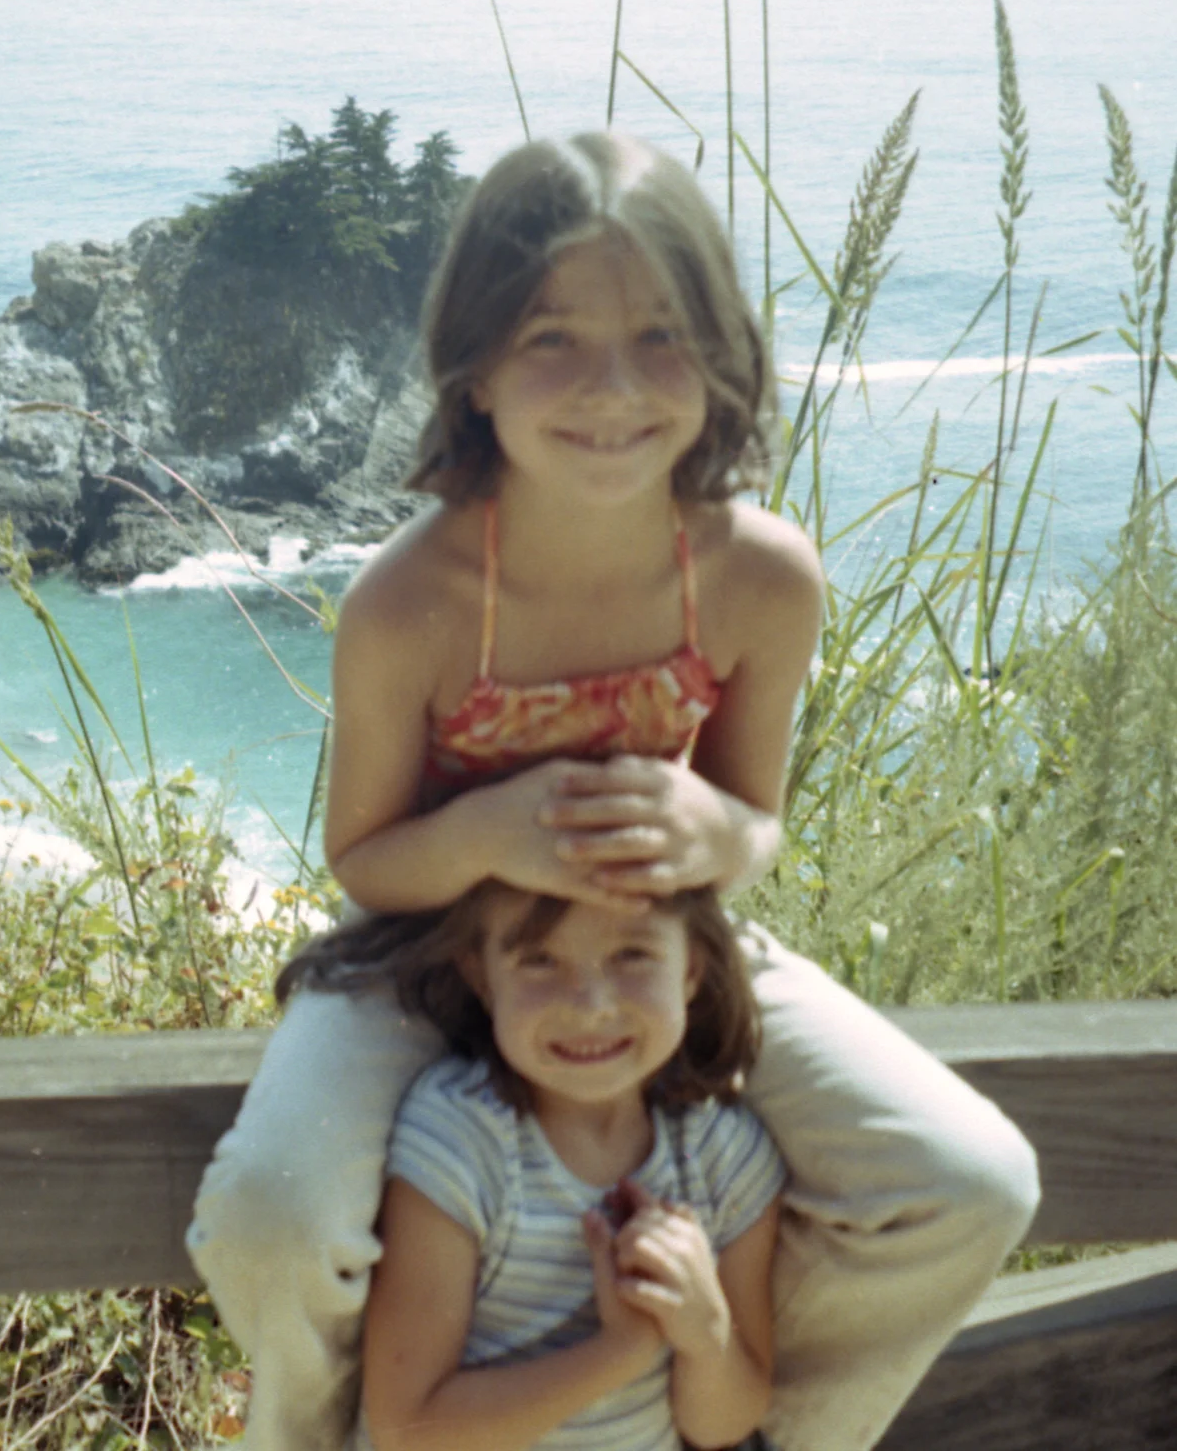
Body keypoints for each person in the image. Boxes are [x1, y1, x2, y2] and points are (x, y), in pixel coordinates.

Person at [186, 133, 1040, 1451]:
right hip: (424, 956)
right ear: (472, 370)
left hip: (652, 950)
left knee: (972, 1178)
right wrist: (485, 834)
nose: (613, 389)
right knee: (275, 1213)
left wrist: (721, 830)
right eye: (552, 341)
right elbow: (364, 860)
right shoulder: (412, 600)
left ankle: (737, 1419)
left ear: (721, 357)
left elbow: (751, 824)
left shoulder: (762, 578)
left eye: (660, 338)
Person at [280, 884, 784, 1451]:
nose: (591, 1004)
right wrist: (619, 1353)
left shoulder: (725, 1158)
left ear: (692, 967)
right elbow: (408, 1429)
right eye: (539, 959)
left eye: (632, 956)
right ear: (481, 977)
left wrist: (706, 1332)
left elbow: (723, 1426)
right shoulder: (460, 1140)